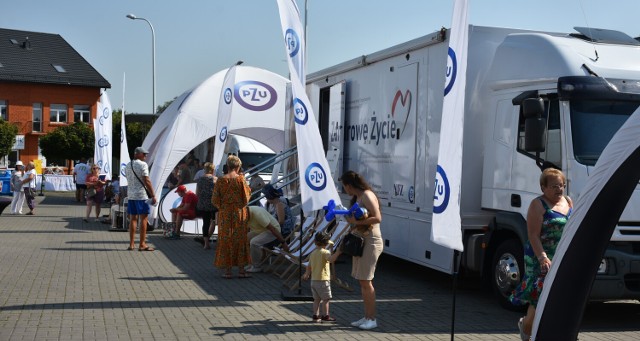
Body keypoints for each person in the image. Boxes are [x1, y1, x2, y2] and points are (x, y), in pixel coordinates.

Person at [510, 168, 572, 341]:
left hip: (560, 256)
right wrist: (542, 257)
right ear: (543, 187)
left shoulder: (568, 201)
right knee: (539, 297)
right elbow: (533, 235)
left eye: (562, 185)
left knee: (560, 296)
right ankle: (526, 327)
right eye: (554, 186)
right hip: (540, 257)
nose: (559, 189)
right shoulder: (537, 205)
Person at [332, 170, 383, 330]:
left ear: (349, 185)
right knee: (363, 281)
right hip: (361, 240)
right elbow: (356, 221)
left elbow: (377, 217)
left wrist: (355, 221)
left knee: (366, 281)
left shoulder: (367, 195)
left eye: (344, 186)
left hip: (370, 241)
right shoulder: (358, 197)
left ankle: (372, 319)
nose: (344, 190)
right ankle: (367, 316)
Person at [212, 155, 251, 279]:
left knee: (226, 239)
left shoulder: (221, 180)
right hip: (239, 213)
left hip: (225, 213)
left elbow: (214, 199)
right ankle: (241, 270)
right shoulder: (241, 180)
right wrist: (238, 205)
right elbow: (246, 198)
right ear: (238, 166)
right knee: (240, 239)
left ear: (228, 166)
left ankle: (228, 271)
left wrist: (223, 207)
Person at [125, 146, 157, 251]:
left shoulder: (128, 165)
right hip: (141, 196)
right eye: (144, 154)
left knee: (133, 219)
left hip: (131, 195)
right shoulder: (143, 165)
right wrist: (153, 194)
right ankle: (142, 244)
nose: (145, 156)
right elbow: (146, 180)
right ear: (137, 154)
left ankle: (131, 244)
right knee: (143, 219)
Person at [302, 231, 337, 323]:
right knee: (326, 299)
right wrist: (338, 253)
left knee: (316, 299)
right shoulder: (326, 252)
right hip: (323, 280)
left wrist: (307, 274)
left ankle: (315, 316)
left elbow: (309, 266)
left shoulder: (313, 253)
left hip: (314, 280)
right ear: (326, 244)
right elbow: (331, 260)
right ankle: (326, 316)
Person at [245, 205, 289, 273]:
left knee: (254, 242)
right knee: (244, 239)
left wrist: (283, 243)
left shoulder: (257, 214)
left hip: (273, 231)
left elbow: (272, 229)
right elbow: (247, 228)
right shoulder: (244, 215)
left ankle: (257, 266)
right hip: (261, 230)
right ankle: (251, 263)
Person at [195, 162, 217, 249]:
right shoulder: (216, 179)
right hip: (213, 204)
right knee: (214, 222)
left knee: (205, 223)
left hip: (203, 204)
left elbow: (197, 193)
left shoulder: (200, 180)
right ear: (212, 170)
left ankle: (206, 244)